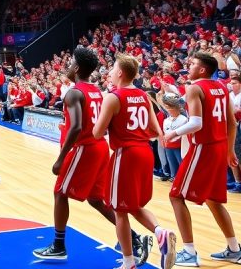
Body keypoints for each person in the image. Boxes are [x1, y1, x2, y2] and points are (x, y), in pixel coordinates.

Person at [33, 47, 150, 265]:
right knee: (96, 200)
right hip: (100, 148)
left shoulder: (74, 92)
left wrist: (61, 158)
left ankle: (58, 246)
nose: (68, 66)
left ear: (77, 68)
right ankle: (133, 238)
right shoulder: (95, 90)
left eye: (70, 63)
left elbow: (77, 127)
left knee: (60, 193)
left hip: (85, 148)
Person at [92, 54, 176, 269]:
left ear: (120, 73)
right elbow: (155, 130)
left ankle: (128, 262)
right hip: (145, 152)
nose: (110, 73)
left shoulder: (113, 97)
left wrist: (112, 124)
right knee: (132, 205)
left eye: (112, 69)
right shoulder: (143, 95)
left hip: (126, 154)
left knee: (119, 211)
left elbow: (97, 133)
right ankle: (160, 232)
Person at [165, 52, 241, 266]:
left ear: (202, 69)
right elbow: (232, 123)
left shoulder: (195, 87)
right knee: (213, 200)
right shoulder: (222, 88)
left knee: (176, 196)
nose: (188, 66)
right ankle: (235, 249)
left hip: (203, 147)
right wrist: (229, 150)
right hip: (218, 147)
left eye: (193, 64)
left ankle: (189, 252)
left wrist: (173, 133)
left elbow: (196, 123)